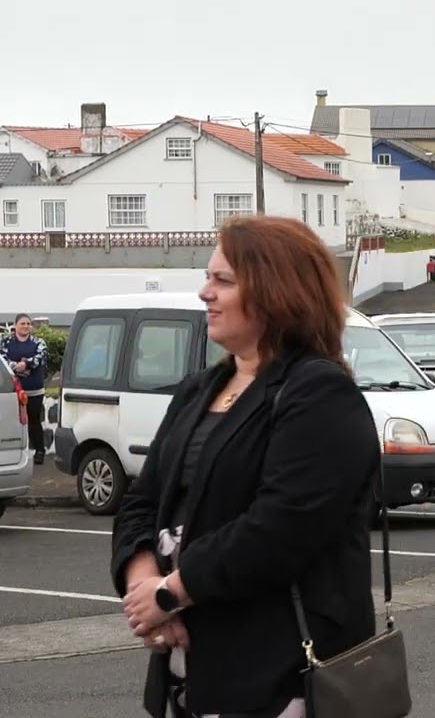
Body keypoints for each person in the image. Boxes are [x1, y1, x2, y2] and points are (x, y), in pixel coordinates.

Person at [108, 216, 381, 717]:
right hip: (193, 665)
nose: (204, 292)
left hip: (280, 673)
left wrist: (171, 592)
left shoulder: (318, 393)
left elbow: (281, 528)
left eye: (223, 281)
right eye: (209, 277)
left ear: (278, 291)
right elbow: (141, 502)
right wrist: (144, 588)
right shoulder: (198, 390)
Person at [1, 314, 49, 464]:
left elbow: (41, 357)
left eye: (28, 324)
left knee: (34, 421)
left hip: (34, 390)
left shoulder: (38, 342)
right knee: (14, 421)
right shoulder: (5, 342)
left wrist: (26, 364)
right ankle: (16, 451)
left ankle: (40, 450)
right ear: (15, 325)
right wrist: (16, 366)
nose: (26, 326)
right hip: (13, 391)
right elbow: (2, 359)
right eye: (22, 323)